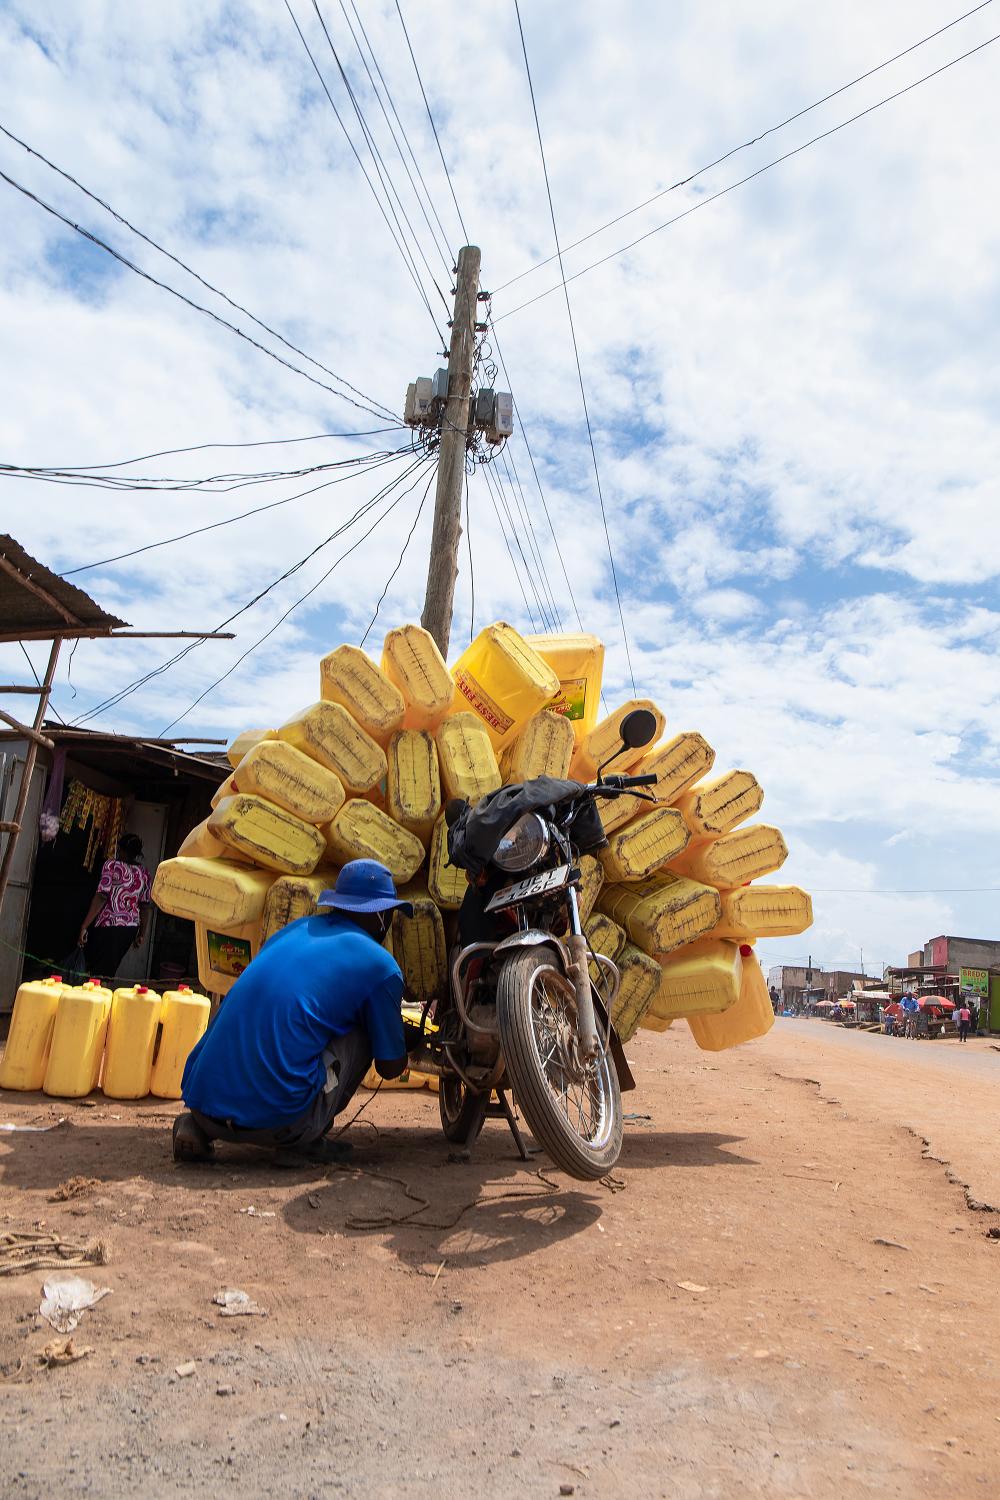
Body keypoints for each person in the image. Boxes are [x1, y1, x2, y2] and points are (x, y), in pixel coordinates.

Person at [172, 860, 419, 1165]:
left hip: (202, 1105)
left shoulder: (293, 930)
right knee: (365, 1030)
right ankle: (304, 1139)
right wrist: (404, 1038)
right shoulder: (380, 966)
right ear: (380, 914)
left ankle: (198, 1128)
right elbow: (390, 1067)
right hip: (279, 1123)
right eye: (391, 913)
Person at [78, 832, 151, 982]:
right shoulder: (144, 873)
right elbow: (144, 906)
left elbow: (101, 896)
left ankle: (98, 1000)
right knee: (107, 969)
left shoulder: (112, 865)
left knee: (99, 973)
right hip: (130, 928)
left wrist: (84, 925)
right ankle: (100, 996)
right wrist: (141, 933)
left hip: (109, 925)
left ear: (121, 849)